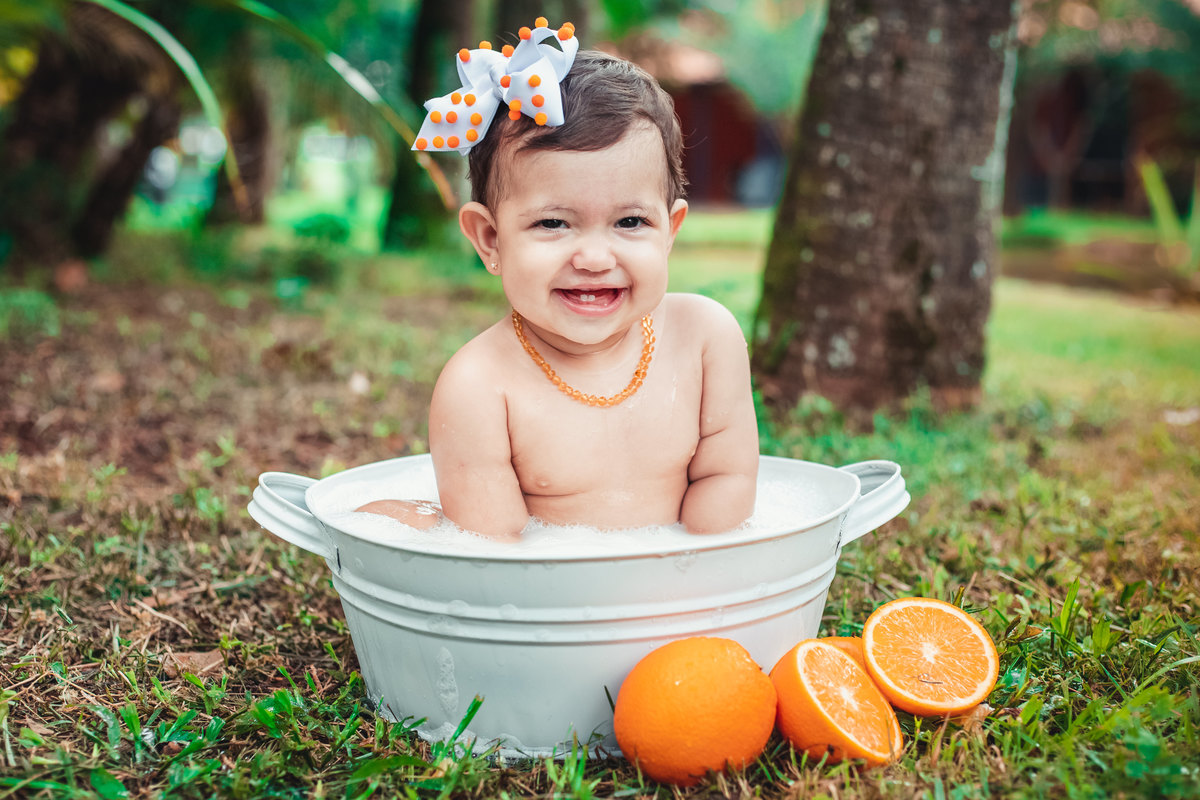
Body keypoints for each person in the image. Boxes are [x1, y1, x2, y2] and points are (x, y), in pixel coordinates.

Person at [357, 19, 758, 541]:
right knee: (405, 528)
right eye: (553, 223)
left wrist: (685, 582)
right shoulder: (479, 386)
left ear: (669, 230)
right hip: (552, 607)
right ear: (490, 239)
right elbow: (496, 551)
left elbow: (727, 484)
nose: (594, 258)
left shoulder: (705, 339)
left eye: (630, 222)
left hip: (673, 592)